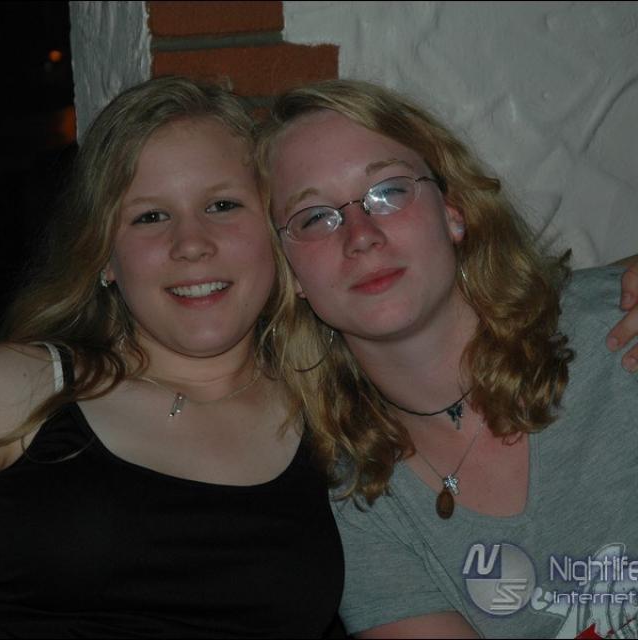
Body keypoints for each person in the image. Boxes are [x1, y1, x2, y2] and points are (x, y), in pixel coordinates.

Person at [255, 78, 638, 638]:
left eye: (388, 191)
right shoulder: (356, 500)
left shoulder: (619, 335)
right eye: (315, 217)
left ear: (453, 212)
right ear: (291, 276)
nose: (360, 236)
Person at [0, 76, 344, 638]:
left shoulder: (337, 421)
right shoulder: (21, 388)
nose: (191, 244)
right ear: (104, 257)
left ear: (275, 233)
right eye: (150, 217)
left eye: (222, 205)